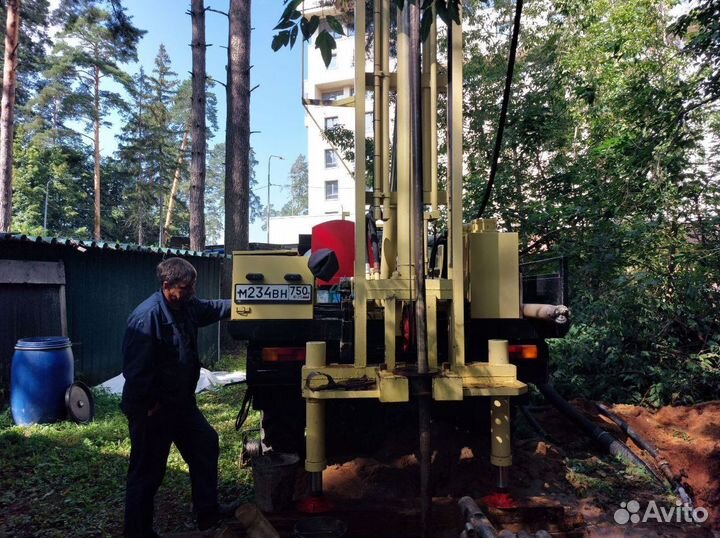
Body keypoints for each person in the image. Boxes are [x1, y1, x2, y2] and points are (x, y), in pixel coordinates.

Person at [121, 257, 233, 538]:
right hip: (153, 409)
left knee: (205, 444)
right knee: (147, 473)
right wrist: (149, 405)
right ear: (167, 285)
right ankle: (137, 532)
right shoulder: (147, 318)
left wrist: (243, 304)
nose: (192, 290)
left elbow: (213, 308)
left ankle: (207, 512)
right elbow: (135, 371)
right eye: (186, 286)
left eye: (193, 285)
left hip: (181, 404)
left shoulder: (186, 305)